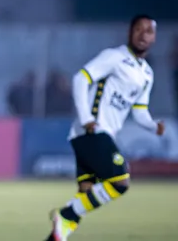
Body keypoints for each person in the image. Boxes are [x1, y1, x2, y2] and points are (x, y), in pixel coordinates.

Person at [46, 14, 165, 241]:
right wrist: (86, 118)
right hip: (91, 132)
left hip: (98, 134)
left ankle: (61, 226)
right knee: (120, 181)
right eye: (138, 29)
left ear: (154, 38)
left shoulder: (146, 74)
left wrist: (152, 125)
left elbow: (139, 111)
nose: (143, 35)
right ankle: (64, 214)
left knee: (87, 195)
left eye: (148, 31)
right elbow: (80, 79)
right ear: (130, 32)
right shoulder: (114, 57)